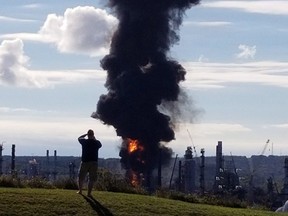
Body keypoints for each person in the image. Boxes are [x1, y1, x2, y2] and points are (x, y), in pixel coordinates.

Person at [77, 129, 102, 197]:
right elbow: (100, 145)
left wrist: (85, 135)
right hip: (94, 162)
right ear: (93, 135)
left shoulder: (84, 142)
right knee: (91, 179)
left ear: (88, 135)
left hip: (85, 161)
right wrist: (94, 138)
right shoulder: (96, 143)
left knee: (81, 177)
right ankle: (89, 193)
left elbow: (79, 138)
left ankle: (80, 191)